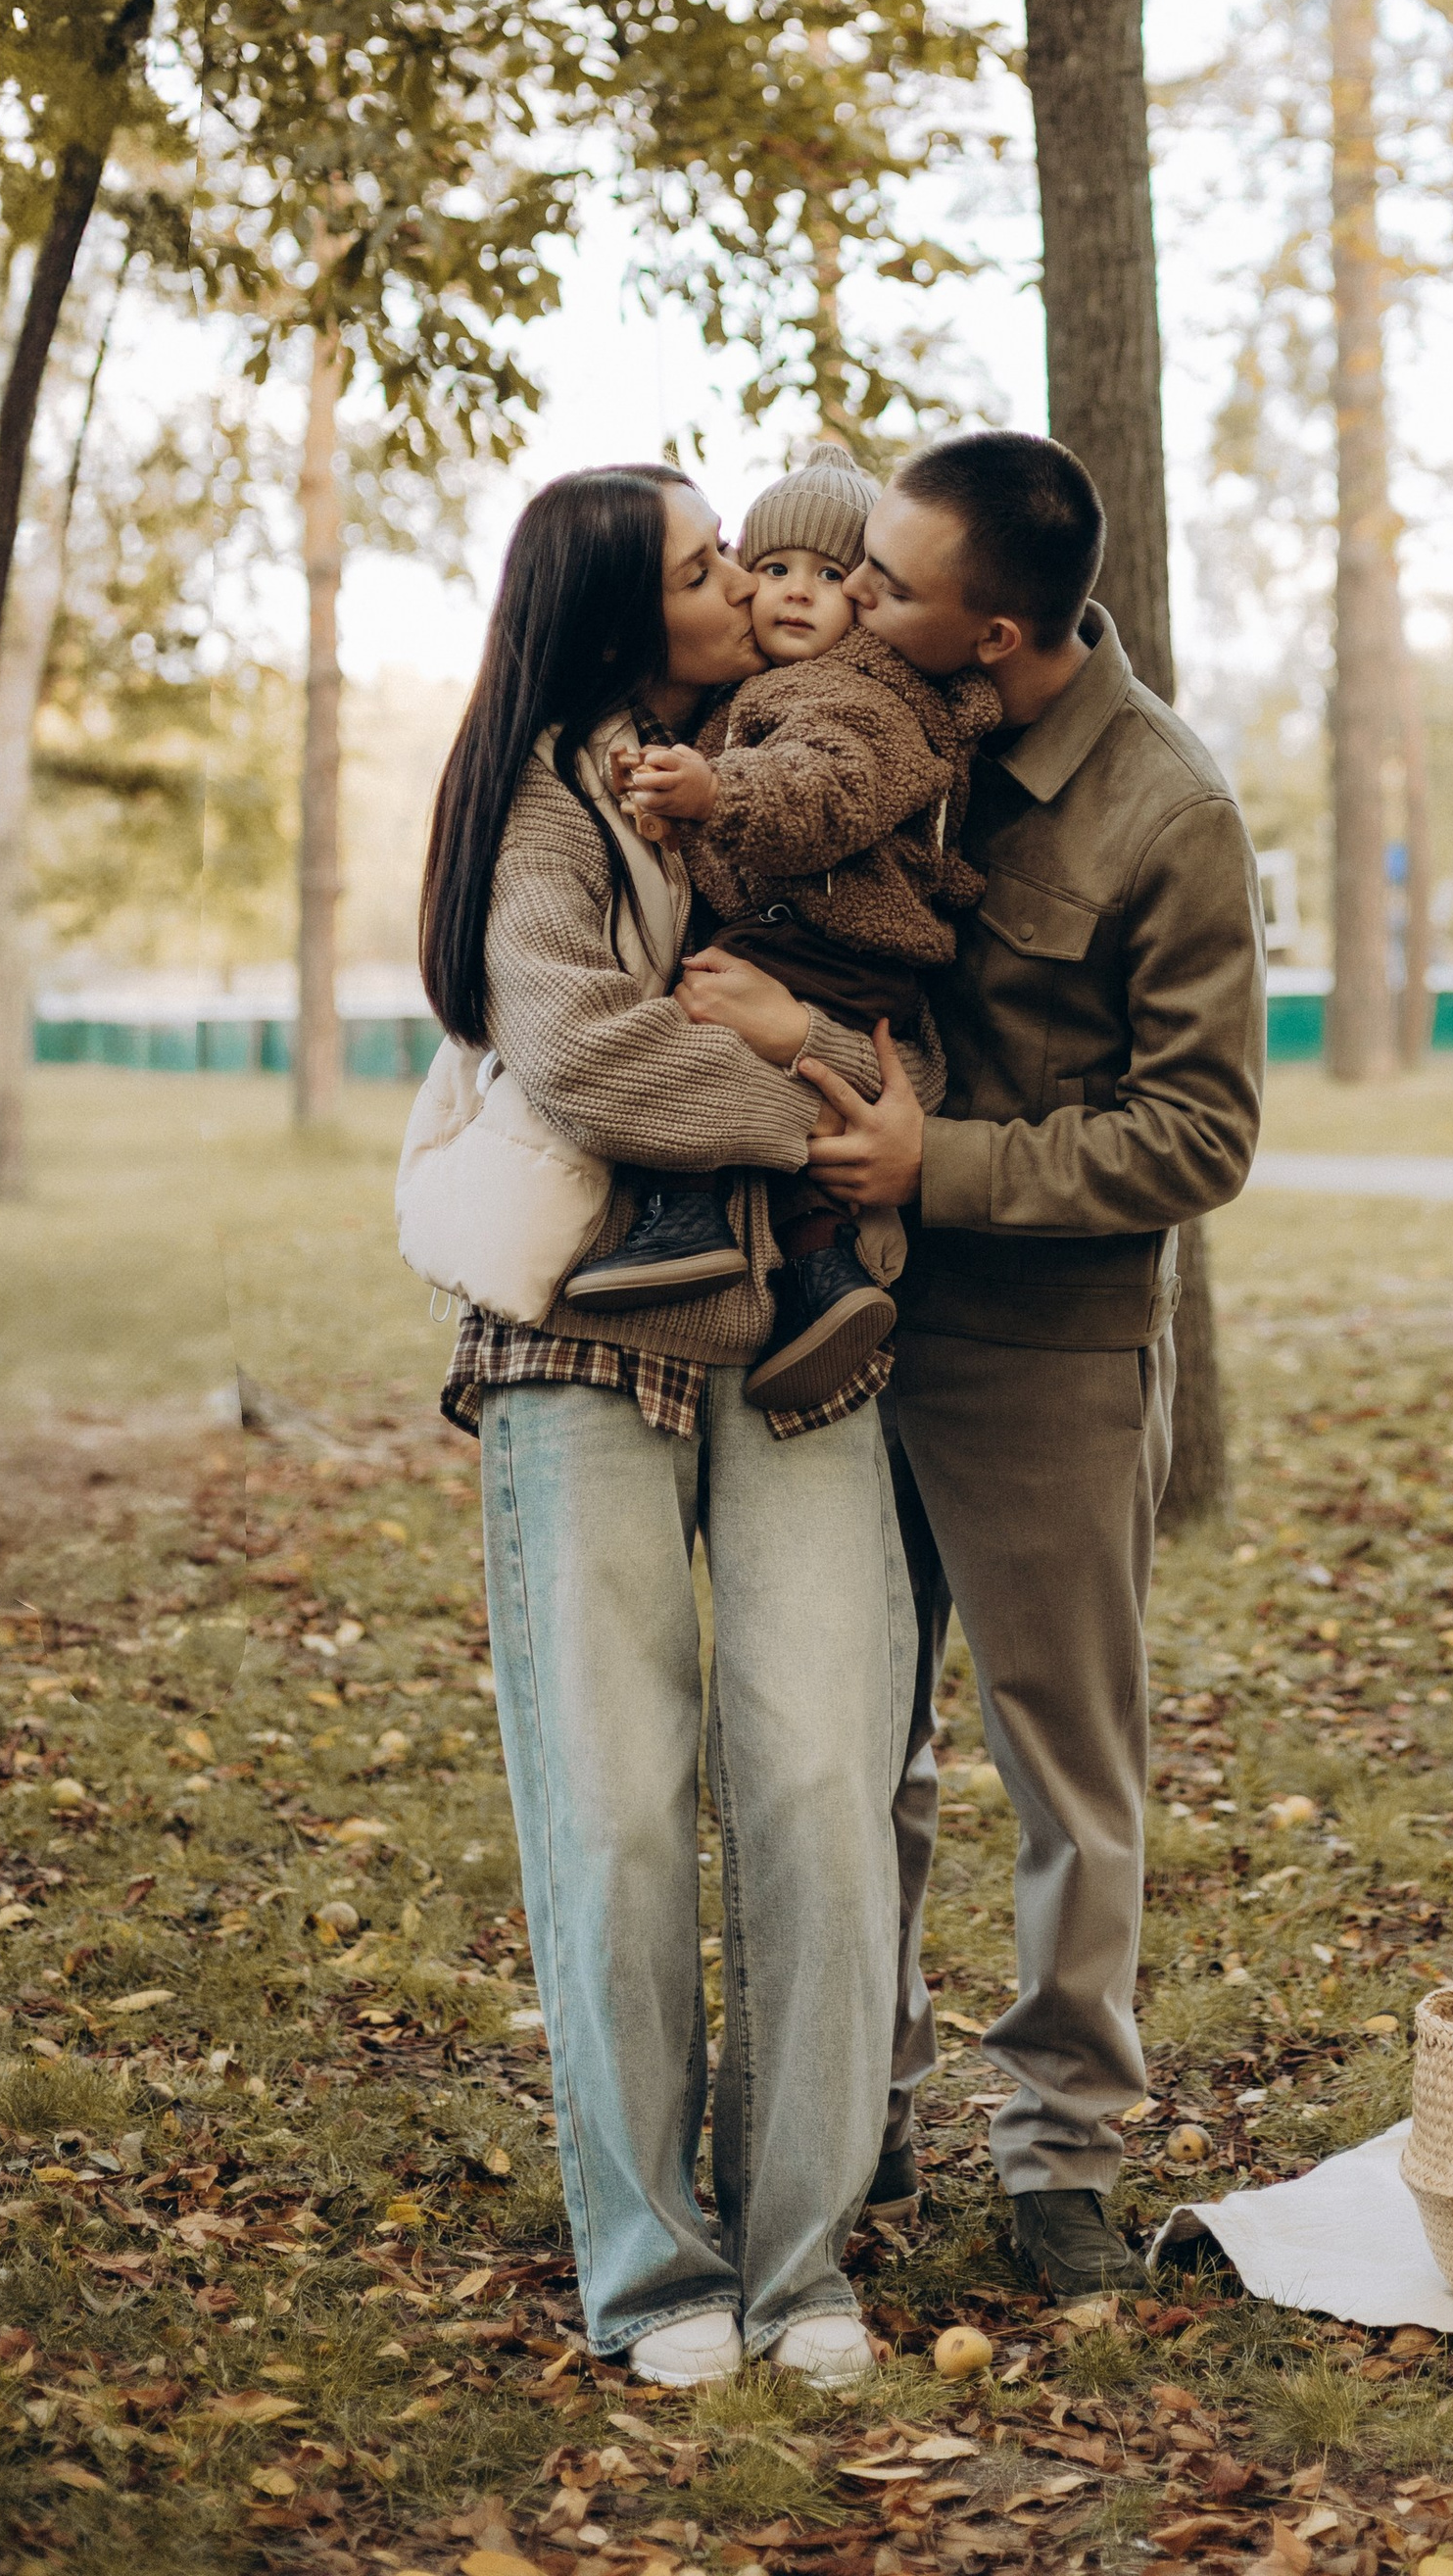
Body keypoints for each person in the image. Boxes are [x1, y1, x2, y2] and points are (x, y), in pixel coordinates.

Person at [677, 431, 1265, 2304]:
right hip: (842, 1327)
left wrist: (946, 1164)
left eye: (891, 588)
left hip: (1047, 1358)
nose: (852, 602)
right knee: (853, 1751)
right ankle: (859, 2115)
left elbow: (1201, 1137)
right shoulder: (868, 726)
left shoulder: (1168, 815)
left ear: (994, 633)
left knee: (1062, 1768)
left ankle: (1061, 2159)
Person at [414, 462, 921, 2393]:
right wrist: (811, 1119)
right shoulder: (551, 803)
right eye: (708, 568)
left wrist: (850, 1066)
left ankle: (796, 2265)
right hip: (578, 1343)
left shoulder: (818, 773)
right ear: (635, 623)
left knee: (813, 1781)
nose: (746, 586)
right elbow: (576, 1050)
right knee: (616, 1811)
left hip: (800, 1335)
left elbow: (905, 1009)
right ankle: (650, 2270)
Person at [566, 443, 1003, 1417]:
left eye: (828, 575)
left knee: (699, 1010)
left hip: (837, 949)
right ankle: (822, 1275)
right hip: (822, 949)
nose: (793, 593)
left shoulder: (859, 693)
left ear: (869, 600)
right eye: (769, 570)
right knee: (724, 1010)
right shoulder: (764, 692)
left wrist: (714, 789)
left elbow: (821, 790)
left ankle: (683, 1217)